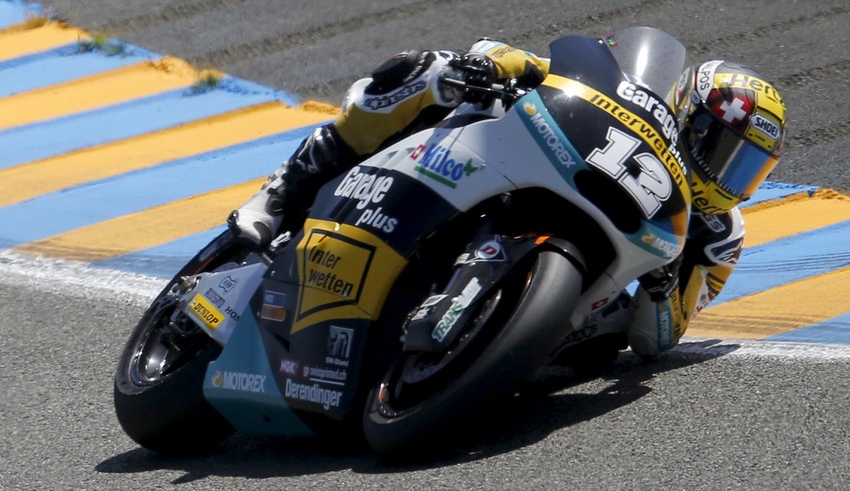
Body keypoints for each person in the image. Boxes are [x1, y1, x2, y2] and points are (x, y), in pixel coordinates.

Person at [226, 34, 787, 365]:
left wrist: (664, 286)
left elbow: (659, 338)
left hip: (566, 324)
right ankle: (283, 191)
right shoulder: (633, 106)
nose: (726, 174)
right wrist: (491, 64)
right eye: (718, 148)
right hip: (515, 169)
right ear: (686, 114)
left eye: (746, 167)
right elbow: (534, 65)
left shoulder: (721, 234)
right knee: (428, 70)